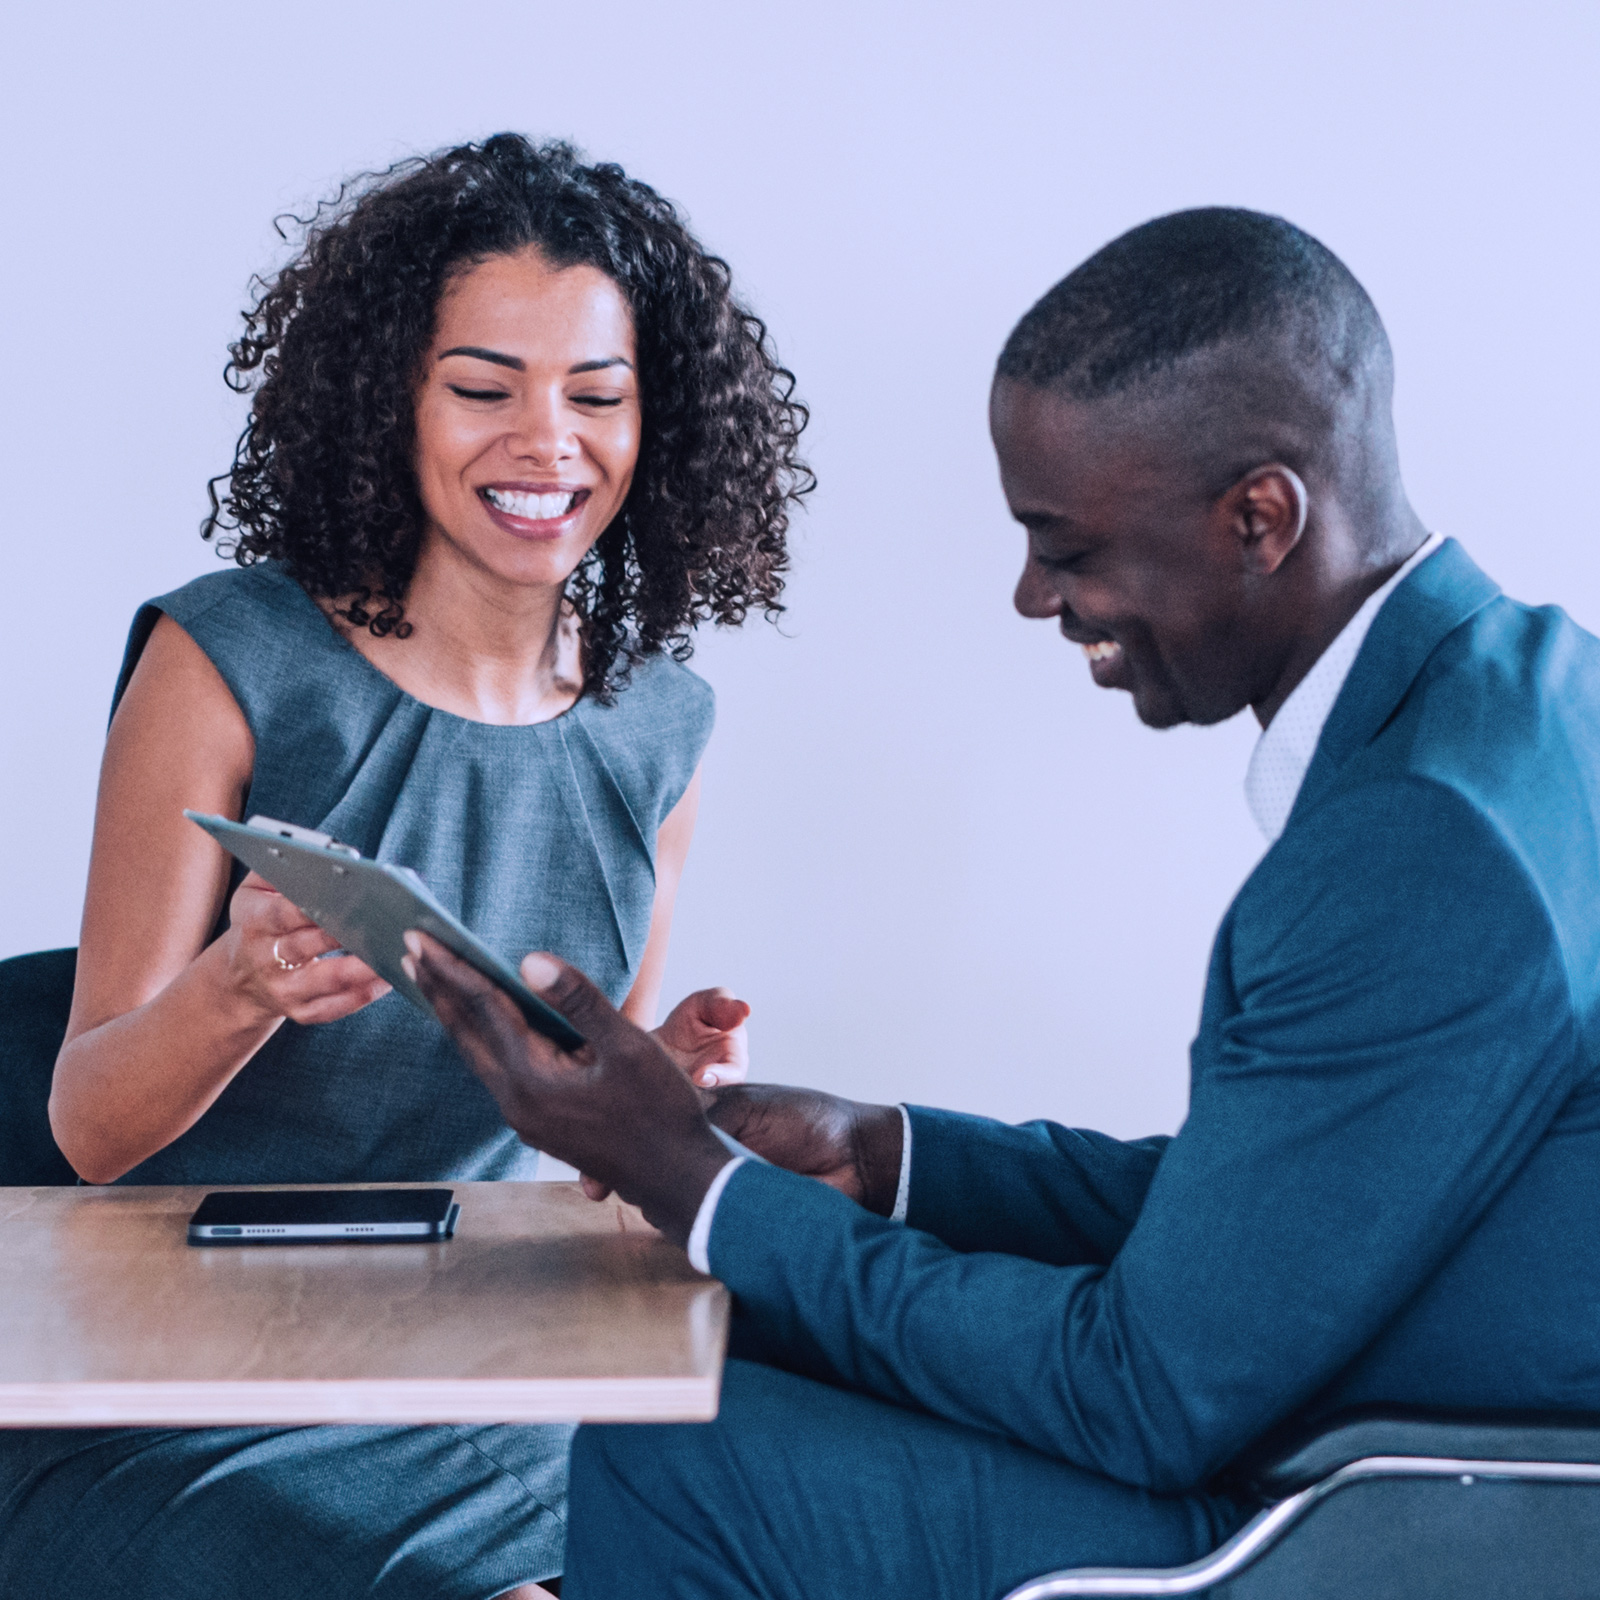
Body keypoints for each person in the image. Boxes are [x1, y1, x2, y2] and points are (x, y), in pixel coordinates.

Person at [402, 207, 1600, 1598]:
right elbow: (1301, 1204)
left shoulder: (1419, 846)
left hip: (1342, 1525)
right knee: (749, 1323)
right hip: (1356, 1430)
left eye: (1069, 545)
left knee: (672, 1442)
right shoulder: (1531, 696)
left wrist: (695, 1180)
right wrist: (895, 1157)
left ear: (1260, 517)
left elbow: (1141, 1395)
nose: (1037, 596)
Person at [0, 135, 810, 1600]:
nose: (548, 443)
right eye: (484, 389)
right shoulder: (228, 659)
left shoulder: (662, 728)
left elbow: (549, 1158)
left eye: (598, 397)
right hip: (187, 1388)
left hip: (498, 1367)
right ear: (394, 402)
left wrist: (653, 1099)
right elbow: (87, 1126)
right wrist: (237, 989)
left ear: (659, 425)